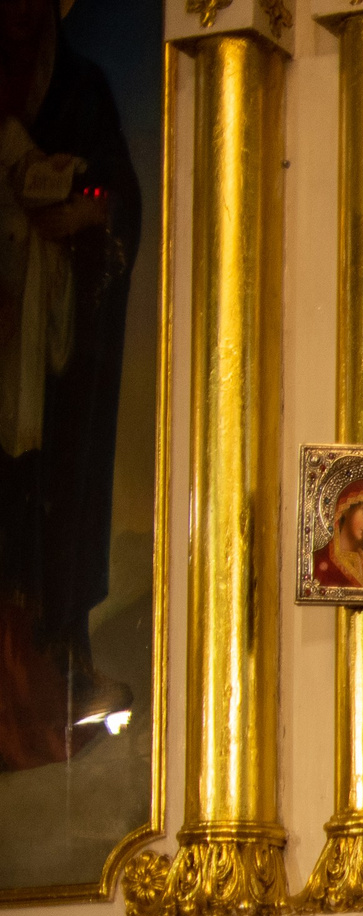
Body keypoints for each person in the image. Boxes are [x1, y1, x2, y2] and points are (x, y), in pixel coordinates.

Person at [0, 0, 140, 768]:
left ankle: (56, 670)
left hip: (50, 349)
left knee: (51, 489)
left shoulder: (80, 89)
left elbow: (117, 199)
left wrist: (87, 217)